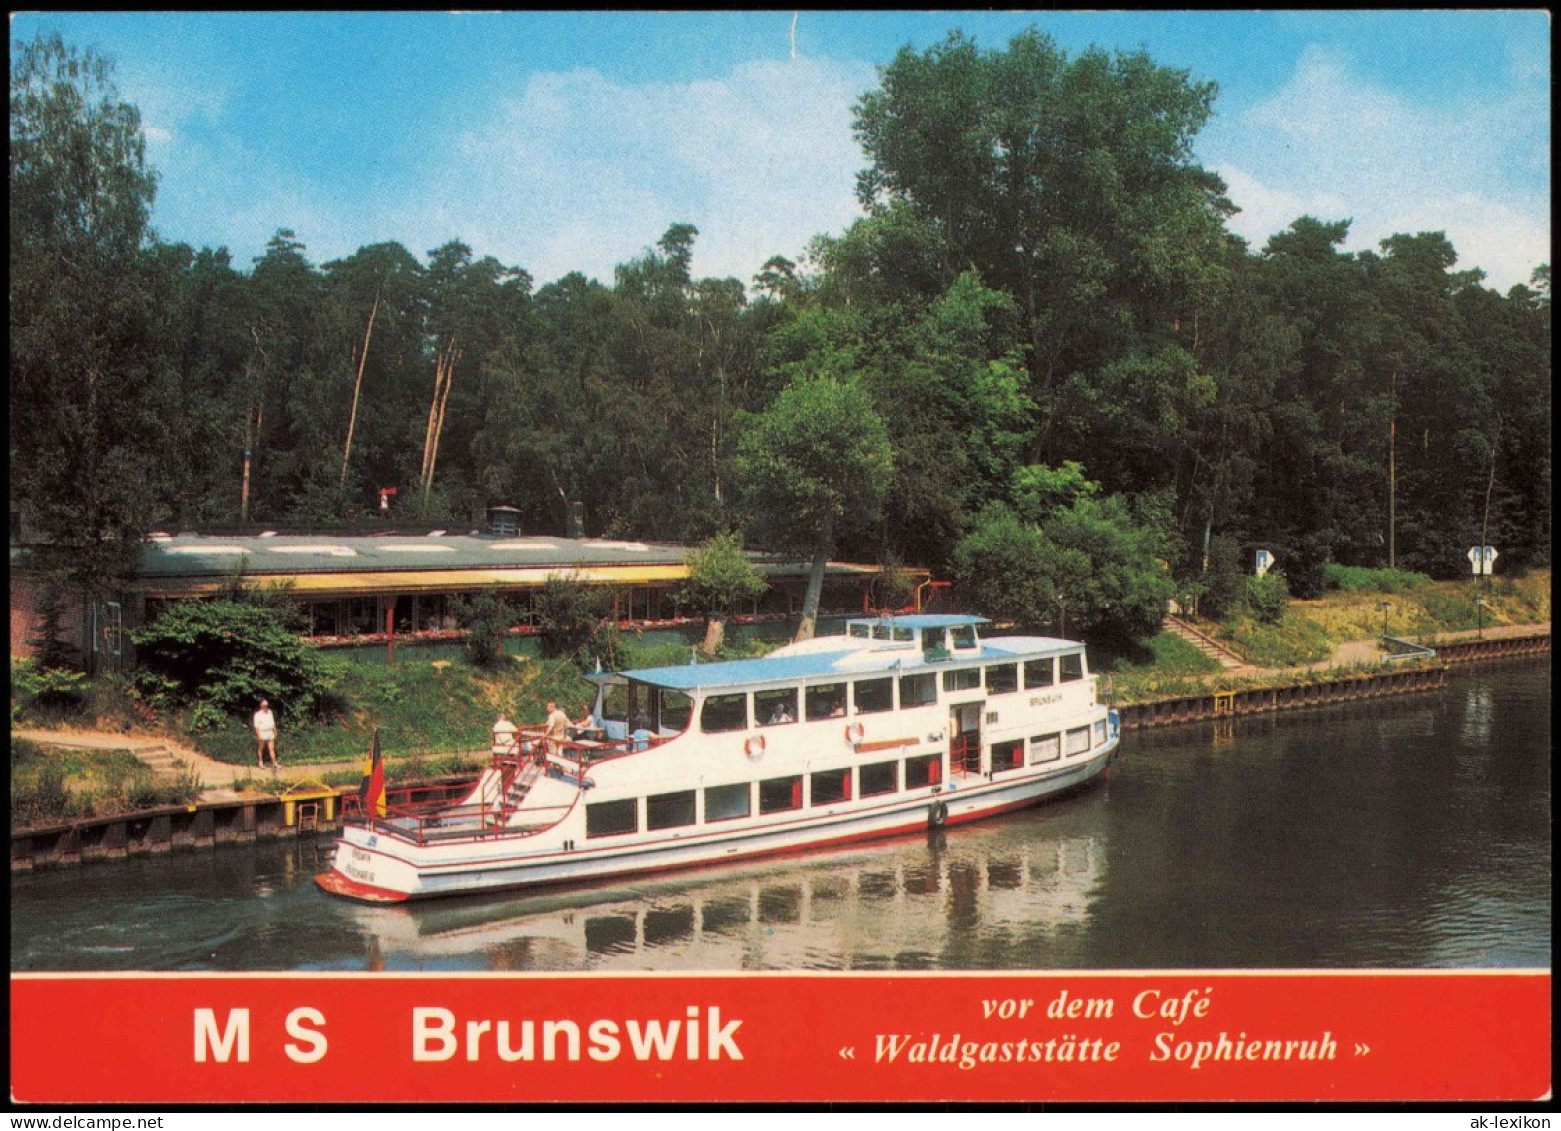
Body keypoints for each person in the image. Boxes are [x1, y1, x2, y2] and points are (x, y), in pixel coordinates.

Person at [253, 700, 279, 769]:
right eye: (264, 705)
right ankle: (260, 762)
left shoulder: (270, 712)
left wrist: (275, 731)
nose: (265, 707)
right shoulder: (258, 714)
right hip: (262, 732)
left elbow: (273, 722)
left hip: (270, 732)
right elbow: (256, 726)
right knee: (261, 747)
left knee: (272, 748)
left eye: (266, 705)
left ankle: (274, 763)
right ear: (261, 706)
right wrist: (258, 735)